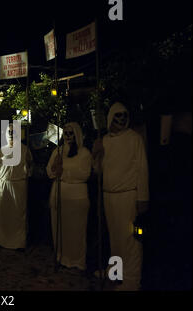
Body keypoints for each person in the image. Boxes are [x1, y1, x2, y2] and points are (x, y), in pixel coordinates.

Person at [92, 102, 149, 291]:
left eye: (124, 115)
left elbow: (142, 169)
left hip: (128, 196)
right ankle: (116, 271)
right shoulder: (105, 140)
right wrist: (97, 153)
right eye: (118, 115)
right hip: (110, 195)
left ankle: (132, 280)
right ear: (111, 118)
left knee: (130, 240)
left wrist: (142, 198)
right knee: (115, 238)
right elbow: (98, 171)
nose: (122, 119)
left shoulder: (134, 139)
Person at [46, 122, 92, 270]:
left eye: (71, 133)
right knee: (60, 229)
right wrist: (55, 168)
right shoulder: (57, 151)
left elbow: (84, 174)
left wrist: (64, 173)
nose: (67, 136)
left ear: (77, 134)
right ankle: (61, 255)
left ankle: (77, 260)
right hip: (59, 194)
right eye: (65, 133)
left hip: (77, 197)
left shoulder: (84, 153)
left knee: (76, 230)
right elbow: (49, 172)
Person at [0, 124, 33, 250]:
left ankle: (18, 243)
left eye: (13, 131)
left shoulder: (25, 149)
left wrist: (29, 166)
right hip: (4, 186)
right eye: (9, 131)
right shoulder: (2, 149)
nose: (10, 133)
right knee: (4, 216)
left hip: (18, 186)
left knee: (18, 215)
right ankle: (3, 241)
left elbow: (30, 170)